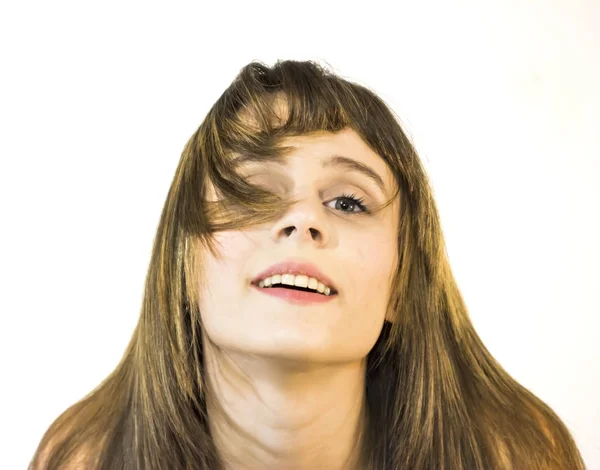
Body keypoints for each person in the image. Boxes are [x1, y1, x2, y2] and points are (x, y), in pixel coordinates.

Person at [30, 59, 585, 470]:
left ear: (402, 287)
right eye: (252, 192)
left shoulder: (516, 455)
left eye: (348, 202)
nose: (301, 220)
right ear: (184, 263)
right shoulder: (81, 457)